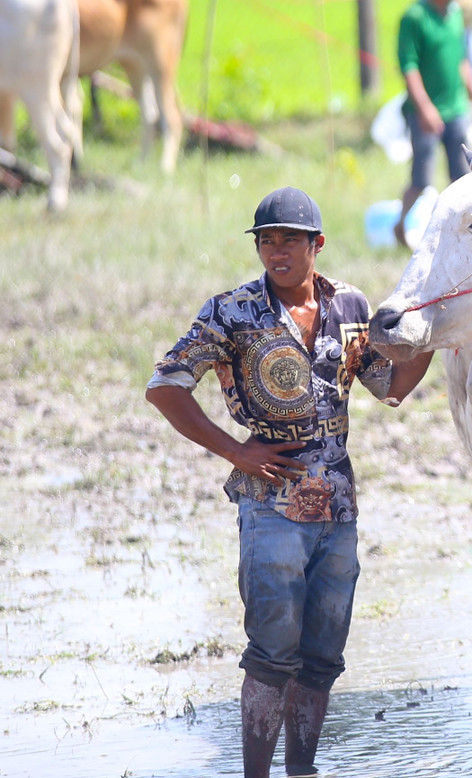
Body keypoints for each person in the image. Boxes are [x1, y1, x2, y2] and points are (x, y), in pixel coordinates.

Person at [145, 188, 434, 778]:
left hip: (338, 508)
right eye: (266, 241)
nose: (276, 252)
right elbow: (165, 387)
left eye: (289, 241)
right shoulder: (231, 311)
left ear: (316, 245)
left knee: (323, 655)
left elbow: (392, 387)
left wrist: (431, 333)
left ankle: (303, 770)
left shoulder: (351, 306)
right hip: (270, 505)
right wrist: (235, 450)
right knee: (272, 653)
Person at [395, 0, 472, 247]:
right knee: (421, 178)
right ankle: (401, 226)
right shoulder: (414, 18)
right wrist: (425, 108)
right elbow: (409, 67)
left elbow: (461, 62)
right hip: (426, 112)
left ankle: (463, 234)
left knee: (464, 176)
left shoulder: (454, 15)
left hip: (456, 109)